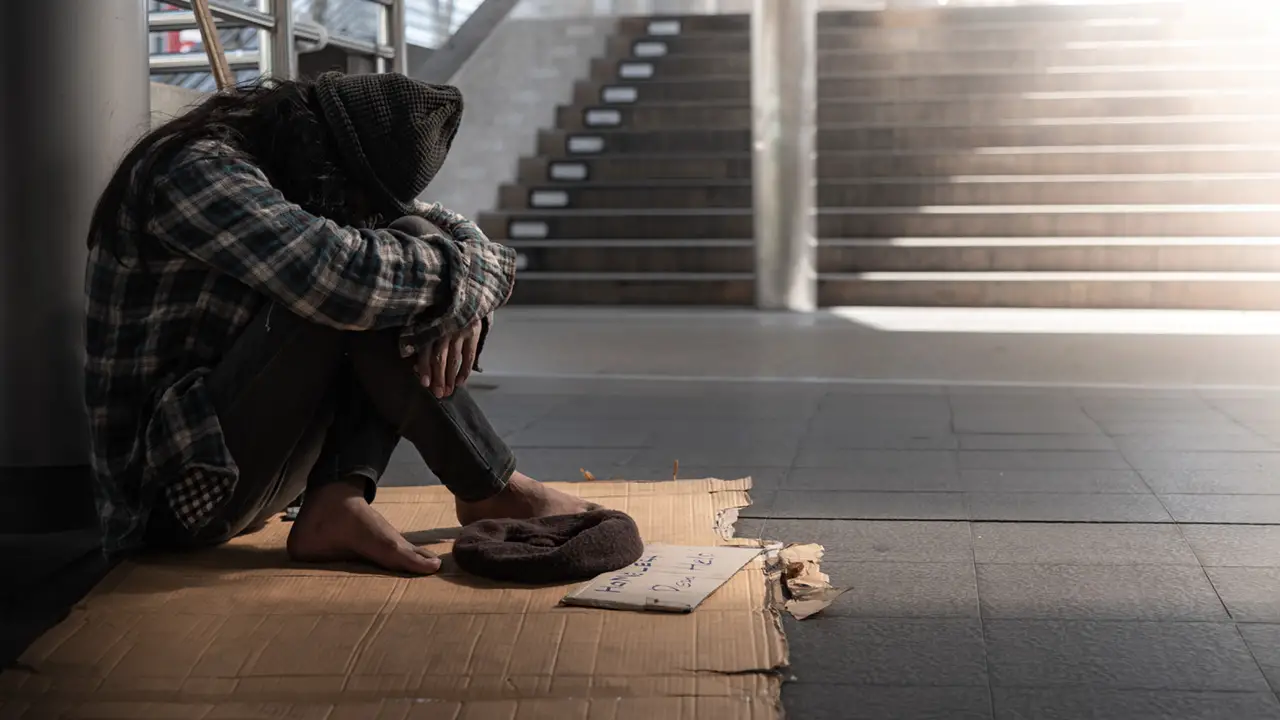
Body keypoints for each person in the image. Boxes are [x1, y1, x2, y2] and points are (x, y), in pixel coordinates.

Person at [83, 71, 591, 576]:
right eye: (357, 198)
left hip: (252, 477)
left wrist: (463, 296)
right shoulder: (194, 170)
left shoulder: (301, 164)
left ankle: (337, 500)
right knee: (362, 280)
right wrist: (458, 291)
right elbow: (337, 276)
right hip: (176, 494)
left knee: (408, 241)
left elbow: (445, 229)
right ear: (326, 156)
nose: (358, 211)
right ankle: (490, 486)